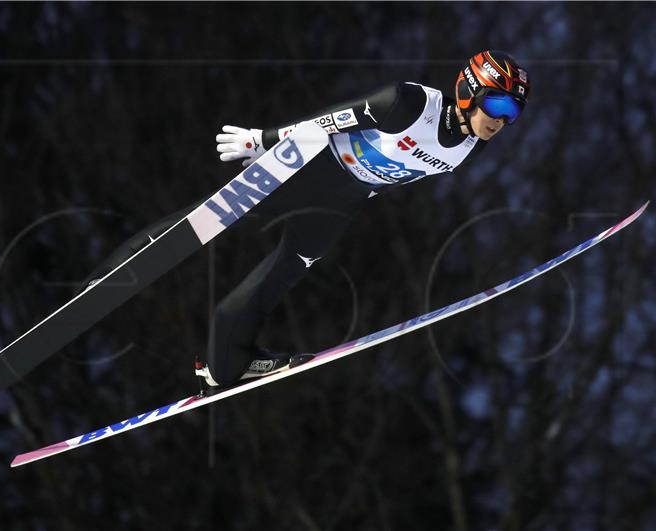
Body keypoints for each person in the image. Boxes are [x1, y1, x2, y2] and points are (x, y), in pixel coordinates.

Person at [83, 50, 530, 389]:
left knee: (281, 274)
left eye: (512, 114)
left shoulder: (473, 145)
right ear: (470, 91)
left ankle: (225, 365)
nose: (502, 122)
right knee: (204, 222)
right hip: (308, 170)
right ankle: (108, 278)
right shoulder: (409, 104)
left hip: (344, 200)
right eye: (497, 107)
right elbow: (331, 121)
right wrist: (264, 140)